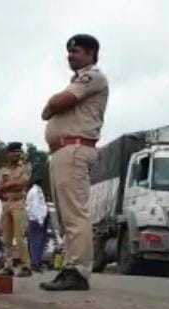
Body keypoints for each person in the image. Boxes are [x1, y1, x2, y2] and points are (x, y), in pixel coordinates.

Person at [40, 34, 109, 292]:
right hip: (63, 150)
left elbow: (58, 103)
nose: (70, 56)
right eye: (69, 52)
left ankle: (78, 271)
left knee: (75, 214)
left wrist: (51, 104)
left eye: (76, 51)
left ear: (91, 53)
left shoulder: (93, 76)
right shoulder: (77, 80)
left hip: (75, 148)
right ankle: (70, 267)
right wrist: (51, 107)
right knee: (66, 216)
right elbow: (48, 111)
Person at [0, 142, 34, 277]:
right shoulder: (2, 170)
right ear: (8, 154)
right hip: (6, 203)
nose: (17, 154)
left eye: (19, 151)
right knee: (6, 237)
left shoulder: (25, 167)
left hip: (19, 202)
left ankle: (26, 266)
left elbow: (22, 184)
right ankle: (8, 266)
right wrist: (12, 184)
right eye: (14, 151)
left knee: (20, 236)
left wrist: (7, 184)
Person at [26, 178, 50, 272]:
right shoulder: (35, 191)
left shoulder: (36, 190)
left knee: (39, 242)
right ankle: (35, 263)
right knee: (36, 242)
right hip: (36, 219)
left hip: (38, 218)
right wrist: (40, 219)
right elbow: (35, 206)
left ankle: (37, 261)